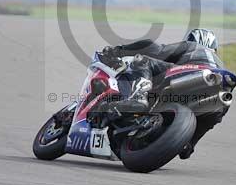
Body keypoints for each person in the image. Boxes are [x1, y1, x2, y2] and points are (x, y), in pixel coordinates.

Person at [96, 28, 226, 159]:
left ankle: (139, 97)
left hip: (190, 73)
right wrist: (190, 143)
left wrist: (118, 51)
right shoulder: (220, 65)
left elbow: (154, 49)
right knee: (214, 112)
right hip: (217, 95)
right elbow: (212, 119)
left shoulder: (192, 46)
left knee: (142, 60)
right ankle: (183, 141)